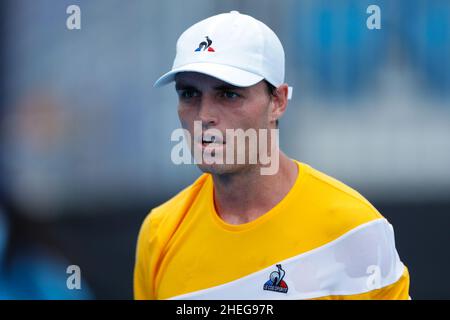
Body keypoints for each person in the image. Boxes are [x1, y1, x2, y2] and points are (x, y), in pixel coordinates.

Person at [134, 11, 410, 300]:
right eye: (189, 94)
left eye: (228, 95)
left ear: (278, 101)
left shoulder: (355, 229)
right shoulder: (159, 233)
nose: (204, 116)